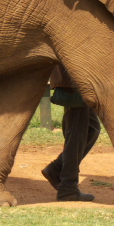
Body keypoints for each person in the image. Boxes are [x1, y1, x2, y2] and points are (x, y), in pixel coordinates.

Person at [41, 64, 100, 201]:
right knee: (77, 134)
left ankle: (57, 168)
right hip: (75, 80)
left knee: (91, 129)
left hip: (79, 79)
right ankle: (68, 187)